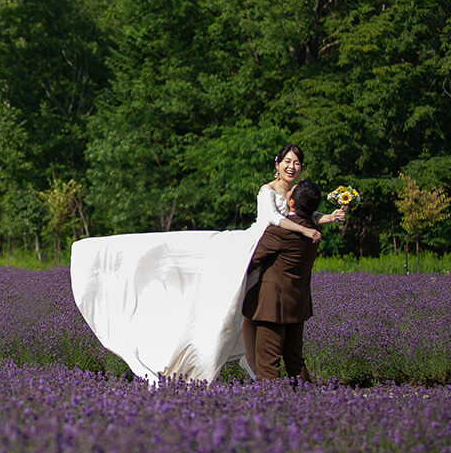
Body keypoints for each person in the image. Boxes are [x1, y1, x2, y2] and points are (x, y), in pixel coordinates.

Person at [69, 143, 342, 384]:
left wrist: (327, 217)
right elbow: (276, 218)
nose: (292, 166)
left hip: (273, 251)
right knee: (194, 258)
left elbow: (304, 215)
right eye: (287, 162)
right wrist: (306, 230)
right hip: (257, 243)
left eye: (296, 162)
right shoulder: (268, 192)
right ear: (277, 164)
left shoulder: (297, 199)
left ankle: (269, 385)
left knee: (252, 322)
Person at [242, 179, 323, 382]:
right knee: (294, 360)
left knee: (268, 362)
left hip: (273, 306)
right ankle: (308, 401)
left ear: (292, 203)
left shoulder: (280, 232)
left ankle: (270, 406)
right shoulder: (312, 229)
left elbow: (251, 260)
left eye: (291, 192)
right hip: (297, 303)